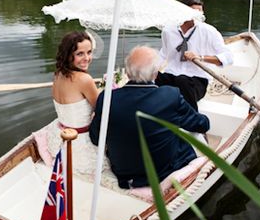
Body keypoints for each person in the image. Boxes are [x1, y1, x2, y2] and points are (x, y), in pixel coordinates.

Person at [89, 46, 210, 189]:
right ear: (155, 74)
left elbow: (96, 138)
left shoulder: (107, 97)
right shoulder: (170, 96)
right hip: (162, 172)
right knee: (188, 134)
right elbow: (201, 125)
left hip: (124, 173)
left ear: (127, 72)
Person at [34, 31, 102, 176]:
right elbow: (101, 109)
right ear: (68, 55)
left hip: (60, 138)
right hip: (80, 143)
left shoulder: (58, 74)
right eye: (80, 54)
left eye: (89, 52)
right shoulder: (85, 79)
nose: (87, 58)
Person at [156, 0, 233, 111]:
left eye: (200, 11)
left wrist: (200, 57)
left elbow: (228, 57)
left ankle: (192, 120)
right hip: (172, 76)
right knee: (150, 78)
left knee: (182, 80)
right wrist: (147, 69)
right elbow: (163, 54)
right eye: (194, 11)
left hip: (197, 81)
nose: (198, 15)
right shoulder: (168, 30)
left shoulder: (209, 31)